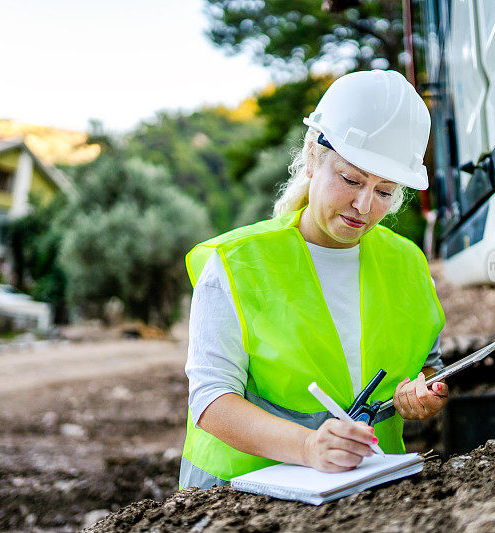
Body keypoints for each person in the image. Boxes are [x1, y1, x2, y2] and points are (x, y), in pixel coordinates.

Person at [180, 70, 447, 489]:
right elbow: (211, 402)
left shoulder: (408, 262)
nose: (363, 205)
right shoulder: (236, 263)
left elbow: (429, 367)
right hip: (240, 497)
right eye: (351, 179)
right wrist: (308, 447)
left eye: (384, 191)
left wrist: (422, 396)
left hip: (369, 490)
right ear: (312, 157)